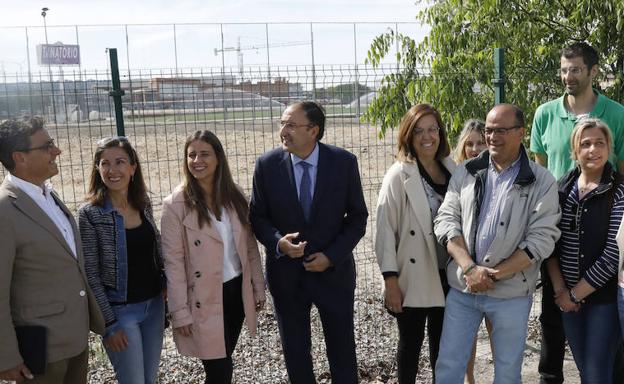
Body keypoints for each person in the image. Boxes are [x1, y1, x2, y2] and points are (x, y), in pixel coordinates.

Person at [434, 104, 561, 383]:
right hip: (463, 289)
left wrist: (492, 274)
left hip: (511, 294)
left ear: (521, 133)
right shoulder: (467, 171)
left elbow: (542, 239)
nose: (492, 137)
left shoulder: (542, 182)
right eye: (489, 130)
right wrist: (470, 270)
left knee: (507, 372)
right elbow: (445, 220)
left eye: (501, 130)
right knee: (449, 366)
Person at [250, 101, 368, 383]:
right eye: (282, 124)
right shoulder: (266, 166)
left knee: (342, 352)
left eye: (290, 125)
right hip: (287, 278)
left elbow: (357, 218)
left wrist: (331, 256)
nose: (283, 131)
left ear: (313, 130)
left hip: (334, 275)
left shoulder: (343, 163)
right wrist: (279, 243)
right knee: (295, 353)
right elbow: (258, 218)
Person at [530, 41, 624, 384]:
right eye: (564, 69)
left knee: (603, 362)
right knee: (556, 338)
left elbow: (616, 248)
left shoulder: (616, 115)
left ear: (592, 71)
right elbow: (542, 175)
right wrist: (562, 290)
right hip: (559, 251)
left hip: (601, 262)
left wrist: (578, 292)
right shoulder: (545, 114)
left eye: (576, 69)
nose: (568, 76)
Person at [0, 117, 104, 383]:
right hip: (39, 350)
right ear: (19, 158)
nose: (56, 151)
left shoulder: (47, 195)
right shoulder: (4, 209)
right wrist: (7, 357)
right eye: (47, 146)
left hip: (74, 340)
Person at [161, 130, 266, 384]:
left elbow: (249, 246)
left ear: (218, 157)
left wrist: (258, 287)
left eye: (204, 154)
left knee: (225, 358)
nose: (197, 160)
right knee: (218, 370)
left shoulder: (235, 196)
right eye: (191, 155)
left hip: (235, 293)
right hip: (203, 298)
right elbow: (173, 263)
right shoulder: (175, 205)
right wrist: (179, 312)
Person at [375, 104, 454, 383]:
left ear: (441, 132)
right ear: (408, 135)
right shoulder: (398, 175)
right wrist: (390, 281)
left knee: (443, 350)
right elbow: (385, 231)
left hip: (450, 274)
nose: (427, 136)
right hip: (414, 277)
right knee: (410, 347)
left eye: (432, 129)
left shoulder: (452, 168)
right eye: (418, 131)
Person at [78, 136, 165, 384]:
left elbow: (155, 251)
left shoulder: (142, 203)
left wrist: (167, 281)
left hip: (154, 307)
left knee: (149, 379)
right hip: (121, 312)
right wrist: (110, 324)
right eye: (105, 163)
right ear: (97, 169)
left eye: (120, 162)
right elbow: (90, 274)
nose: (112, 170)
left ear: (133, 167)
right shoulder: (90, 214)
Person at [546, 118, 623, 383]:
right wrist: (561, 293)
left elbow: (614, 254)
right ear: (575, 151)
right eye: (585, 144)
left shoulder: (619, 191)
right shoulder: (561, 190)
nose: (593, 150)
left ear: (609, 147)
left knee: (596, 374)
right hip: (567, 300)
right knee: (585, 371)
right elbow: (550, 246)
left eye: (599, 143)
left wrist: (576, 294)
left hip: (604, 300)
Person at [454, 119, 493, 384]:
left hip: (494, 269)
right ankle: (469, 380)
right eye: (470, 143)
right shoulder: (459, 175)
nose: (475, 148)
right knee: (466, 336)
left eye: (480, 142)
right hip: (464, 268)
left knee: (496, 332)